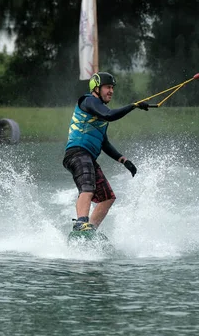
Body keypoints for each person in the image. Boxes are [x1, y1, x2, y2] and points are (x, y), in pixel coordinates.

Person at [63, 72, 149, 232]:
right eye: (108, 87)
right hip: (77, 153)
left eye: (112, 88)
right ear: (96, 88)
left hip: (87, 157)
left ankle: (90, 230)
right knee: (87, 187)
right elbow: (109, 115)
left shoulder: (100, 113)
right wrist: (133, 106)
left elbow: (104, 143)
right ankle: (81, 223)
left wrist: (124, 161)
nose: (111, 91)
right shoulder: (88, 101)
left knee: (108, 198)